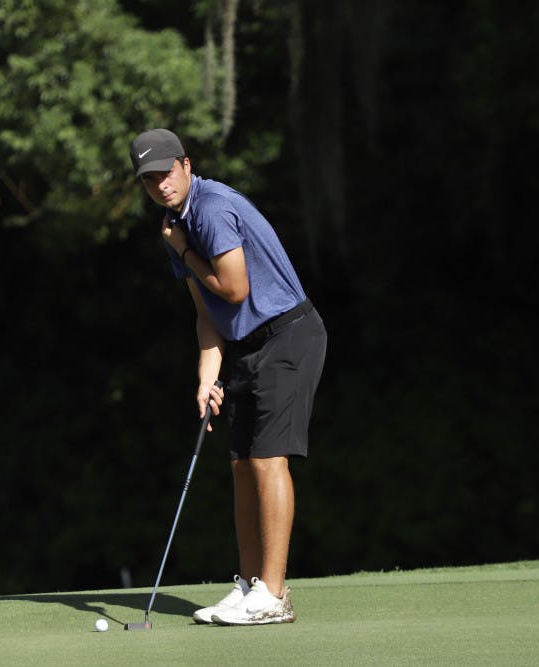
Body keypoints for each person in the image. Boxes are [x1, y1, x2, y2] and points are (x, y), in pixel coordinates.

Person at [129, 128, 328, 626]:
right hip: (245, 346)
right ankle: (249, 586)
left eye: (166, 173)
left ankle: (274, 595)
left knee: (266, 460)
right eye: (149, 179)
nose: (160, 185)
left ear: (186, 165)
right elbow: (208, 314)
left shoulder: (210, 210)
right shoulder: (176, 227)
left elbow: (234, 289)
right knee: (241, 464)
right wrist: (206, 377)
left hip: (288, 335)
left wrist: (184, 252)